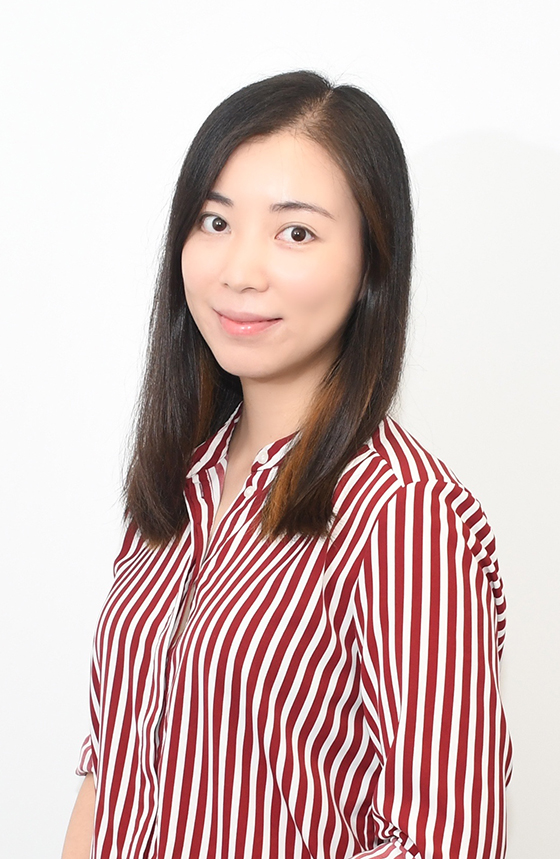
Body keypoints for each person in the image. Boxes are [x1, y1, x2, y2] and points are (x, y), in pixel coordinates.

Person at [62, 71, 512, 859]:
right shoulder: (177, 487)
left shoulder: (404, 513)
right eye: (215, 221)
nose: (240, 270)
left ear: (372, 263)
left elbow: (447, 842)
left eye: (295, 233)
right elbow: (110, 769)